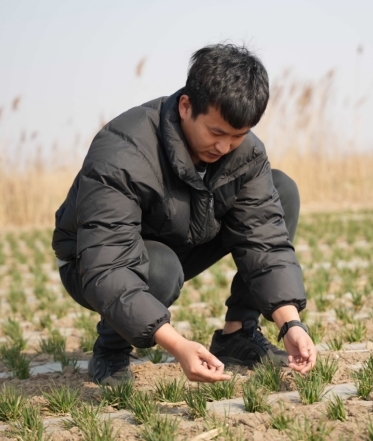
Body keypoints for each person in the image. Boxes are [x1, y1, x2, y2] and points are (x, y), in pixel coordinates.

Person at [52, 43, 317, 384]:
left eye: (237, 136)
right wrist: (177, 345)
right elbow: (108, 262)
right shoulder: (123, 150)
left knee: (281, 190)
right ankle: (111, 347)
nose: (224, 147)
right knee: (160, 267)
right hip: (90, 261)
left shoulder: (245, 154)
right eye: (216, 132)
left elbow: (263, 239)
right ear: (186, 106)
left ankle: (237, 334)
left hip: (181, 236)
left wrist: (290, 324)